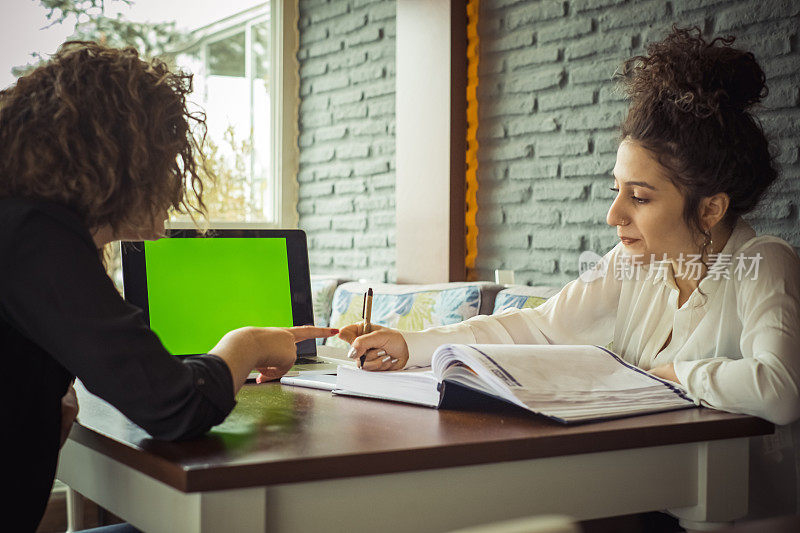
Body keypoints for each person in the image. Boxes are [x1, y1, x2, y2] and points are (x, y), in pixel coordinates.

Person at [340, 26, 800, 523]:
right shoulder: (633, 263)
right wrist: (415, 344)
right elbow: (539, 326)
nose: (614, 215)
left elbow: (780, 388)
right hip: (645, 498)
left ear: (711, 208)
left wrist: (674, 375)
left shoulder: (764, 262)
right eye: (616, 189)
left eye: (640, 198)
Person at [0, 42, 336, 531]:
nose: (175, 179)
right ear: (120, 157)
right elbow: (176, 406)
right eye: (167, 158)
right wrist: (252, 341)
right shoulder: (34, 235)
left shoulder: (21, 228)